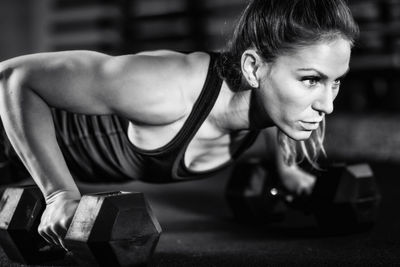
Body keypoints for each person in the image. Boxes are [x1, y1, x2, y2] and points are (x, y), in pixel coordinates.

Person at [0, 0, 358, 251]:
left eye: (336, 81)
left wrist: (289, 172)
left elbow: (278, 117)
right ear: (253, 68)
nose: (327, 104)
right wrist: (59, 194)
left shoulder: (274, 106)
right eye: (311, 80)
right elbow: (14, 77)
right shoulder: (167, 88)